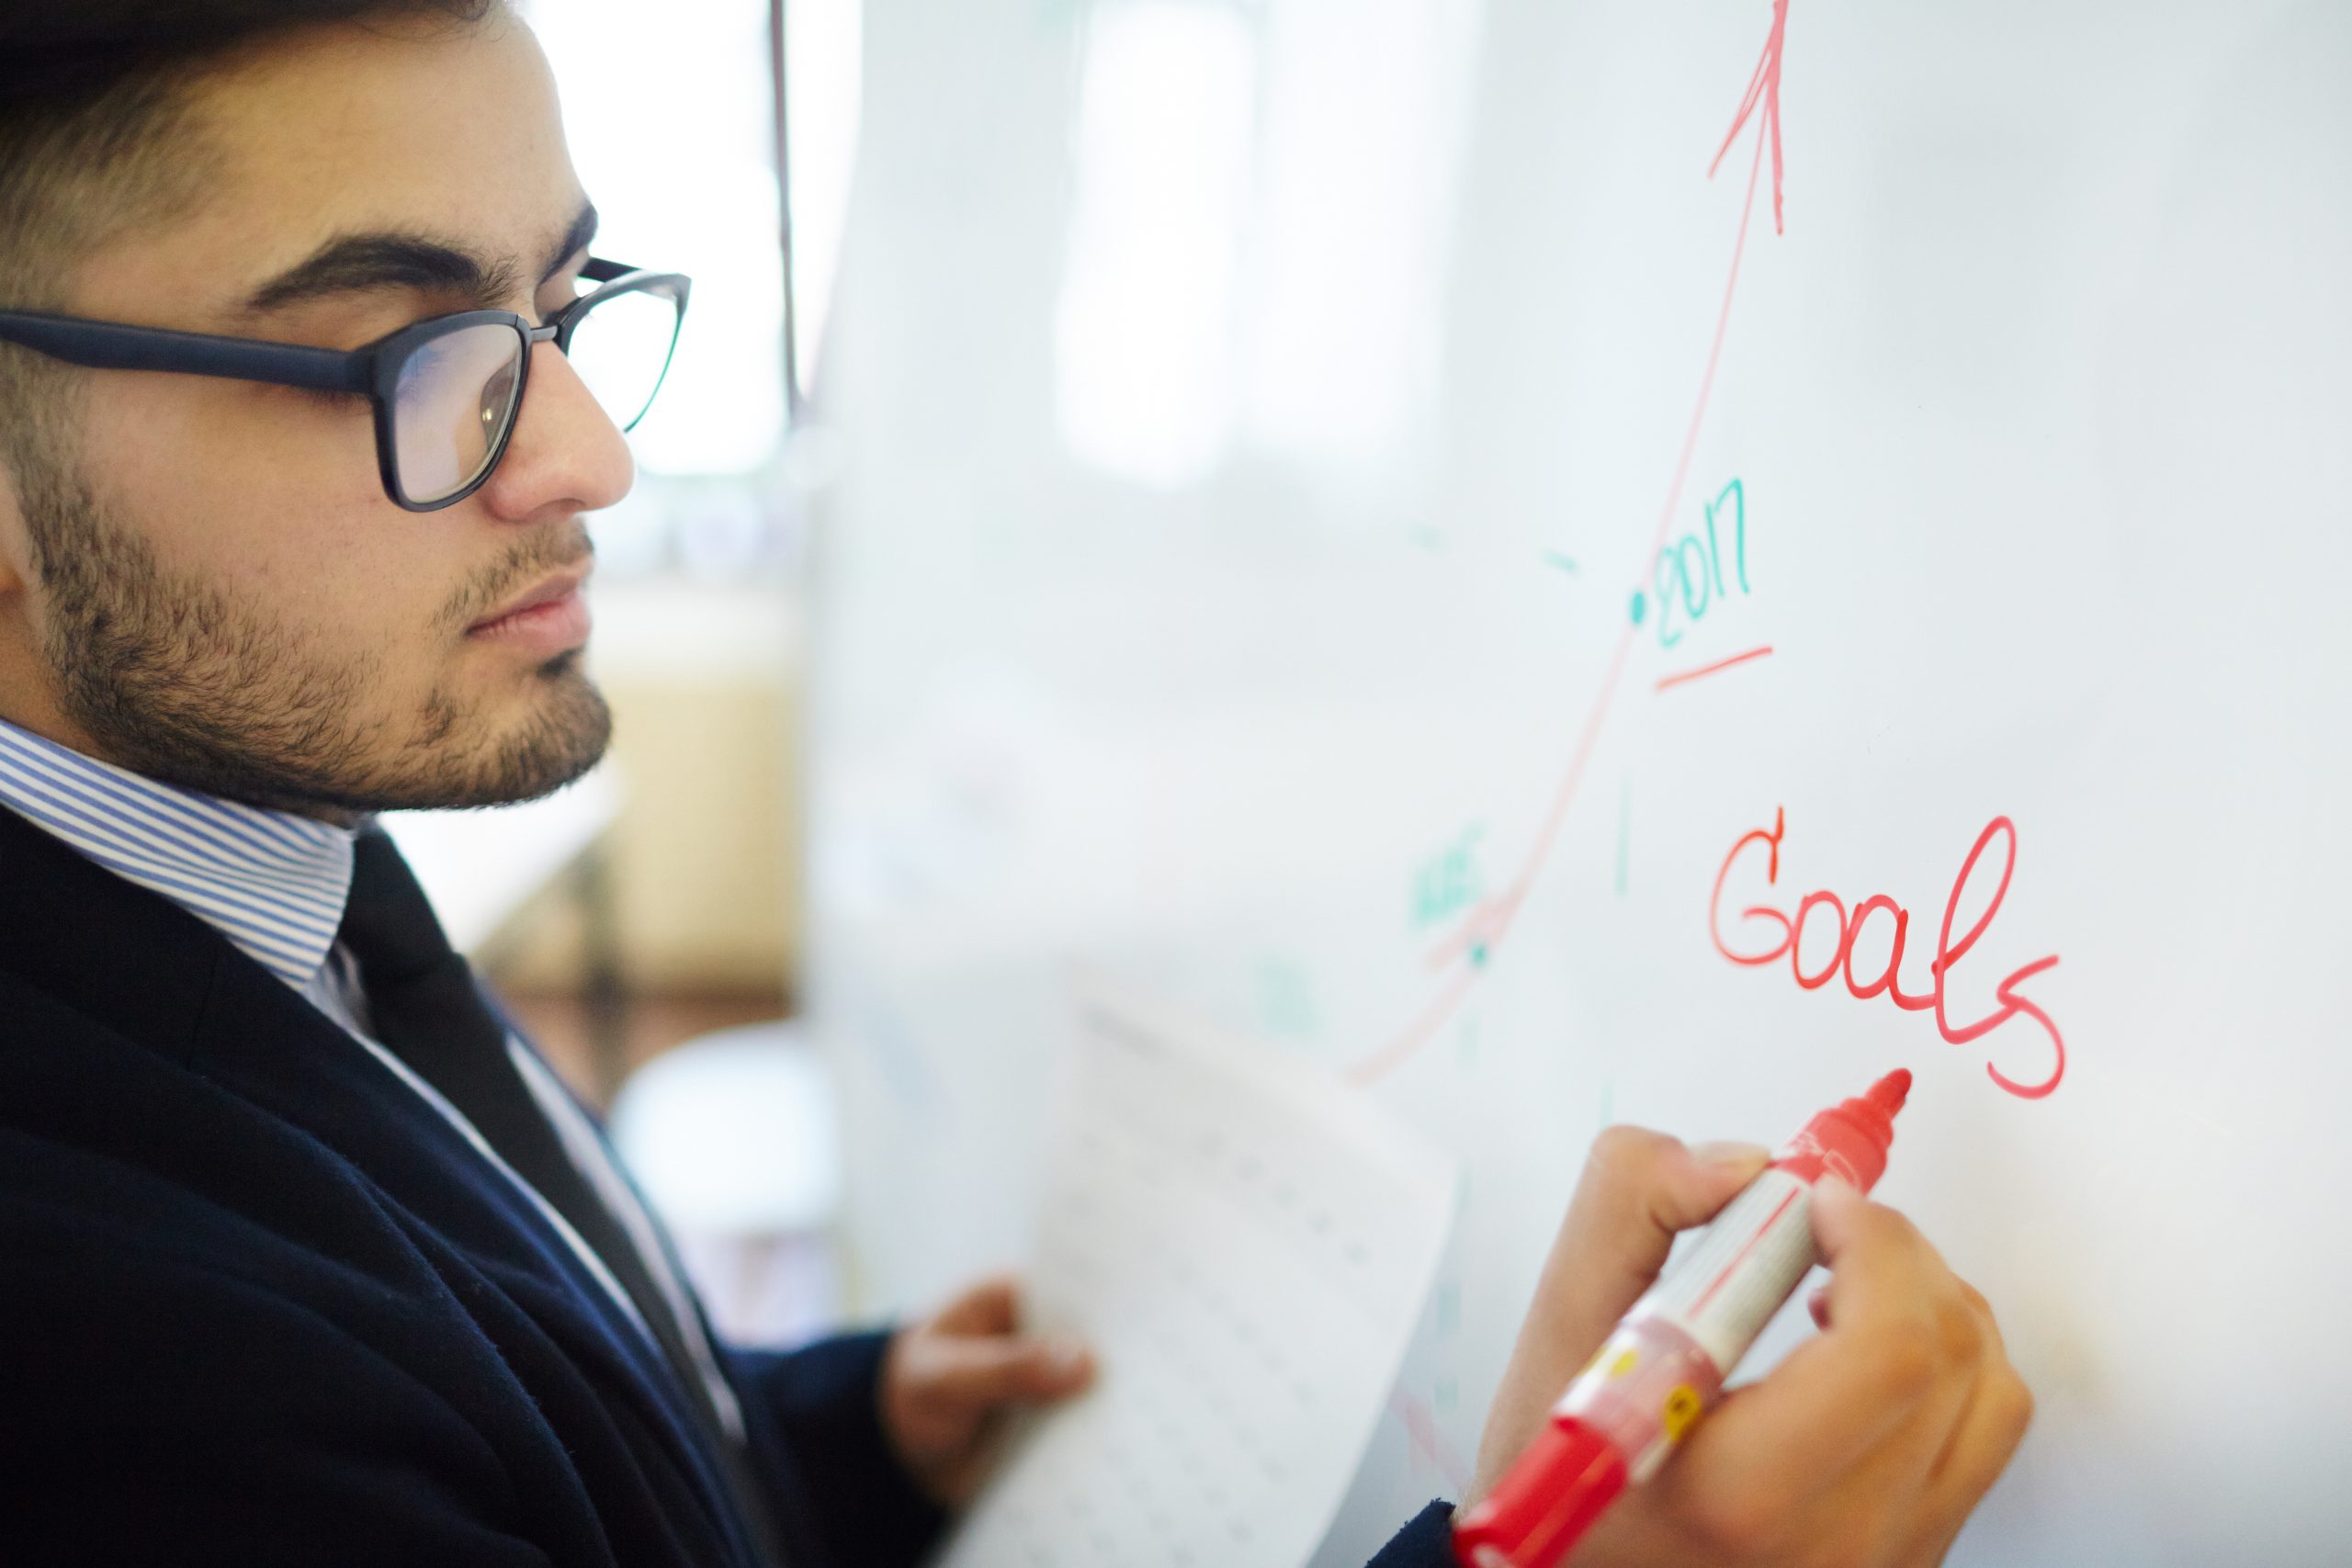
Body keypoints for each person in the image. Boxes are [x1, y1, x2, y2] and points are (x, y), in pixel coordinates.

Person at [0, 4, 2031, 1562]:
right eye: (414, 353)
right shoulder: (116, 1375)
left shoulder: (260, 841)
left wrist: (824, 1432)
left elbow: (503, 1378)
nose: (594, 455)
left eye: (558, 310)